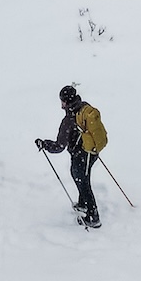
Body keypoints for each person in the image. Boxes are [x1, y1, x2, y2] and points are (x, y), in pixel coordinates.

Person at [36, 83, 106, 227]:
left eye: (62, 101)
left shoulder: (69, 121)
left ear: (65, 102)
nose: (61, 104)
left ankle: (93, 217)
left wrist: (44, 144)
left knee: (82, 182)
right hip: (91, 153)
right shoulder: (84, 107)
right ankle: (83, 204)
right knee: (83, 178)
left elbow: (59, 146)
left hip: (81, 155)